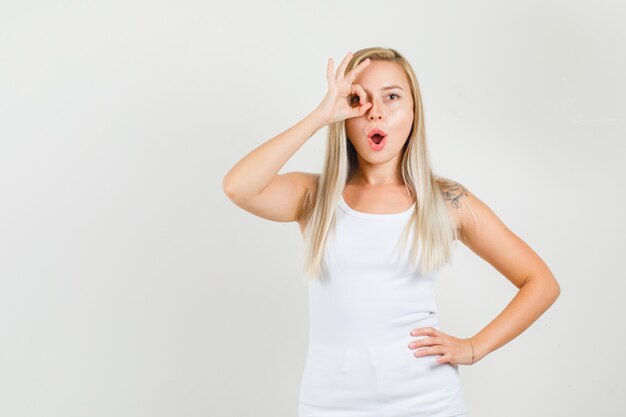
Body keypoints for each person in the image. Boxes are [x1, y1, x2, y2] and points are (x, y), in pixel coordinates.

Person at [222, 47, 561, 417]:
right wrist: (321, 116)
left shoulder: (446, 200)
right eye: (358, 99)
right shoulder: (315, 197)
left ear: (414, 113)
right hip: (330, 405)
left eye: (392, 97)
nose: (376, 111)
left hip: (427, 403)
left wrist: (474, 347)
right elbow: (239, 187)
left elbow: (540, 282)